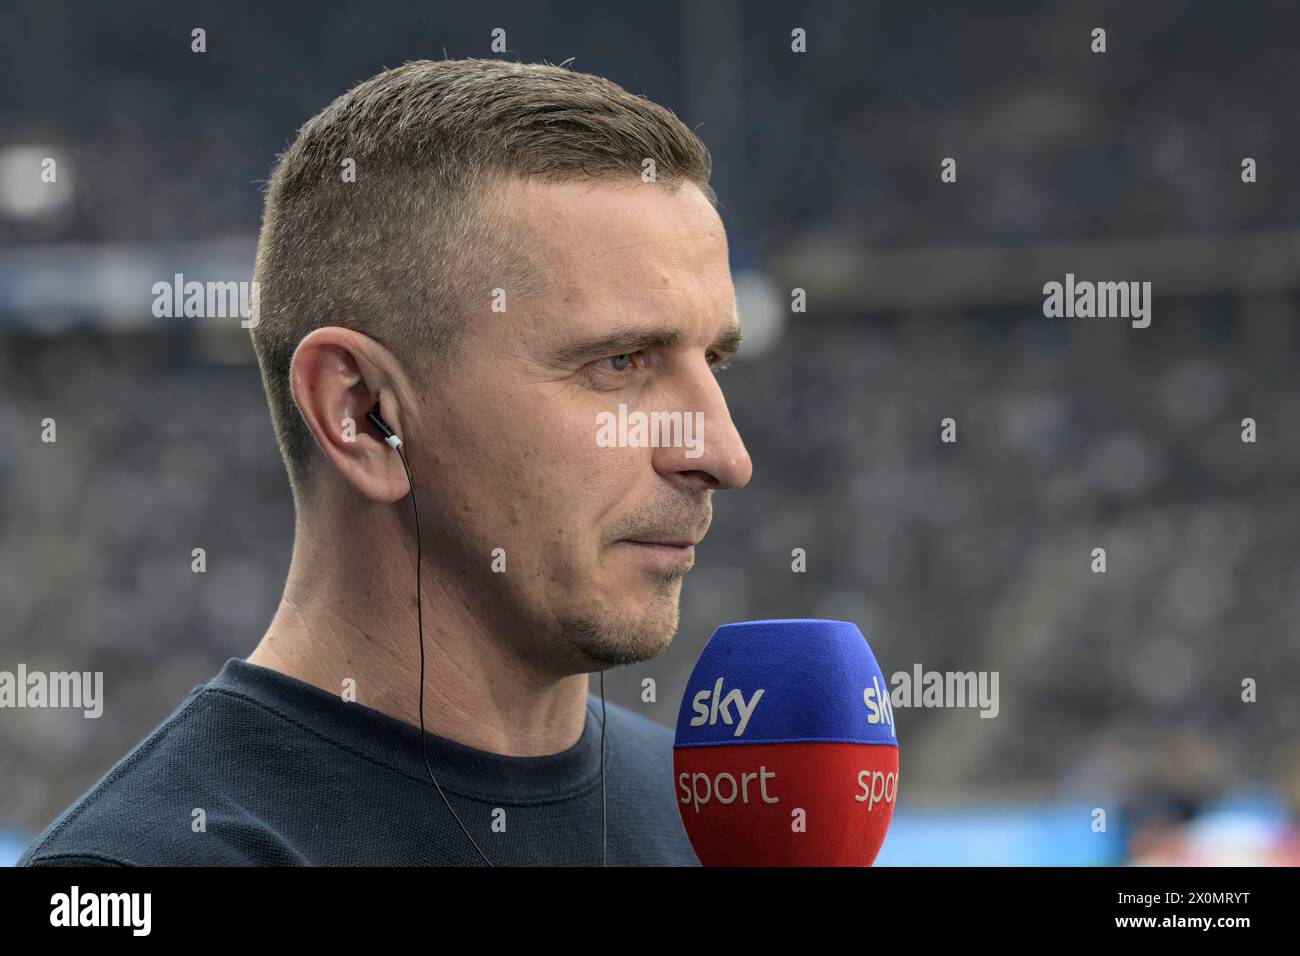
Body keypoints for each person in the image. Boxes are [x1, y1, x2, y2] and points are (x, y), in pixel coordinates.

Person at [19, 58, 752, 866]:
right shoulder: (133, 876)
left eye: (713, 361)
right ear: (361, 413)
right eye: (621, 362)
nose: (722, 453)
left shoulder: (715, 819)